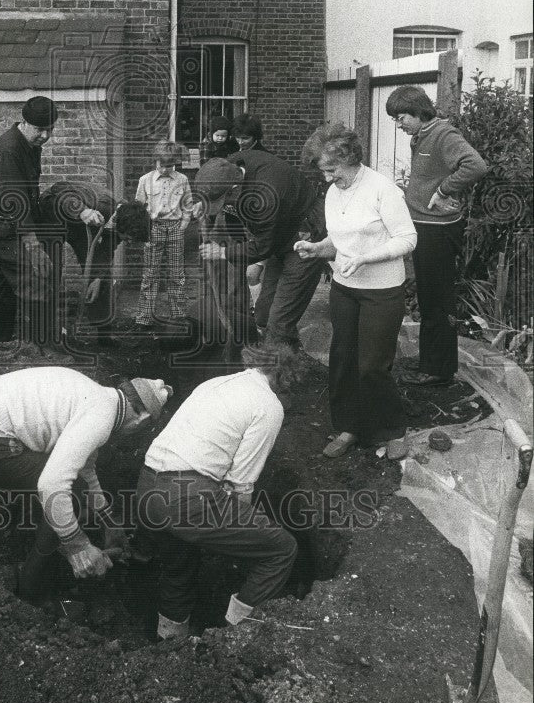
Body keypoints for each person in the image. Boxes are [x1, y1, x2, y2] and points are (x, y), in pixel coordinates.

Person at [0, 368, 172, 603]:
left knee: (72, 488)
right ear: (142, 418)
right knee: (69, 495)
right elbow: (52, 484)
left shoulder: (101, 399)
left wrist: (108, 522)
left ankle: (48, 538)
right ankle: (30, 583)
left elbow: (85, 468)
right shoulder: (101, 416)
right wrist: (78, 546)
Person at [134, 344, 298, 640]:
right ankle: (231, 635)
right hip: (187, 496)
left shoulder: (214, 384)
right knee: (282, 549)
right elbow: (241, 486)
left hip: (147, 486)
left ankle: (169, 641)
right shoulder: (269, 405)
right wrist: (241, 541)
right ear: (283, 381)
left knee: (179, 567)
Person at [296, 123, 417, 458]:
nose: (327, 178)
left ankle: (391, 429)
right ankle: (349, 426)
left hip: (382, 290)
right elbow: (343, 237)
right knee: (343, 359)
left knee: (372, 365)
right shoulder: (335, 192)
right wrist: (319, 247)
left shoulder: (382, 189)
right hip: (344, 288)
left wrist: (365, 259)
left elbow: (407, 239)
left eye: (331, 169)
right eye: (323, 171)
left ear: (349, 157)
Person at [385, 86, 488, 387]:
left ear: (418, 112)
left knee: (437, 301)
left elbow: (476, 165)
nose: (399, 124)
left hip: (438, 231)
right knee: (429, 299)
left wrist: (444, 190)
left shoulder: (444, 135)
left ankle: (438, 371)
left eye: (401, 117)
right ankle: (434, 361)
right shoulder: (422, 135)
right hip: (425, 227)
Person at [194, 148, 325, 351]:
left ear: (234, 189)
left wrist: (222, 253)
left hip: (304, 236)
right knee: (263, 315)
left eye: (218, 202)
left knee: (279, 322)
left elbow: (262, 246)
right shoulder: (230, 165)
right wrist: (205, 207)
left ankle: (280, 371)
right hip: (278, 233)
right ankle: (290, 351)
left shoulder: (264, 196)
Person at [0, 96, 58, 348]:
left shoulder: (30, 145)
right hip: (2, 224)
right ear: (24, 122)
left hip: (17, 221)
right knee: (32, 278)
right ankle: (43, 348)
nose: (44, 135)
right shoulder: (9, 150)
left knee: (8, 280)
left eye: (49, 129)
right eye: (39, 129)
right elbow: (16, 202)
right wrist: (33, 247)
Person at [39, 180, 150, 338]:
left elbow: (106, 250)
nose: (129, 242)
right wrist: (82, 210)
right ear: (123, 226)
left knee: (103, 275)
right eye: (130, 238)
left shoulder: (120, 223)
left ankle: (104, 334)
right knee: (50, 270)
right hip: (53, 217)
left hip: (80, 229)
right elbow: (58, 188)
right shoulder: (101, 202)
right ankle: (49, 331)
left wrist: (97, 277)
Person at [134, 140, 194, 327]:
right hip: (154, 228)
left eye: (170, 165)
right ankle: (143, 319)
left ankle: (178, 317)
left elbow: (188, 204)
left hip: (175, 228)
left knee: (176, 274)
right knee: (150, 275)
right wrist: (145, 230)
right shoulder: (145, 180)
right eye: (162, 165)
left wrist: (183, 224)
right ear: (155, 161)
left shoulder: (182, 180)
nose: (166, 169)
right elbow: (139, 207)